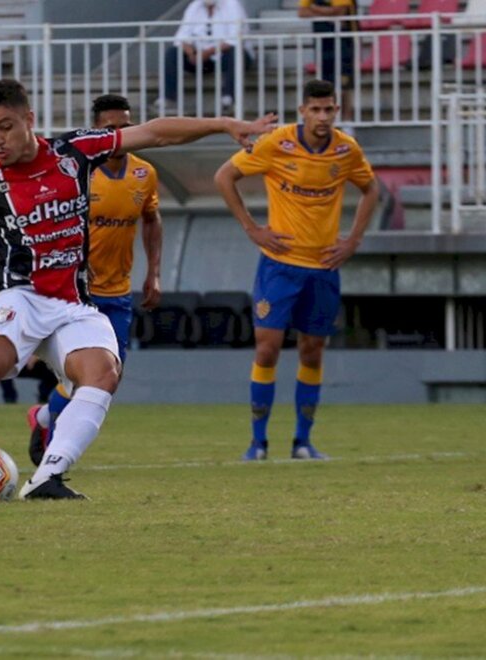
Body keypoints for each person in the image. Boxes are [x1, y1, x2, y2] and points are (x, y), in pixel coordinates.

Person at [0, 79, 275, 500]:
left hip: (75, 304)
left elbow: (154, 133)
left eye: (5, 127)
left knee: (102, 374)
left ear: (29, 120)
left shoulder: (73, 151)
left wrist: (225, 124)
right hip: (18, 295)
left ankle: (47, 477)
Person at [214, 79, 377, 461]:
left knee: (312, 350)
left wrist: (353, 240)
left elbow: (371, 189)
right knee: (267, 349)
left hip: (323, 267)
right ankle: (258, 443)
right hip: (279, 266)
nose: (323, 116)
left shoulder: (346, 149)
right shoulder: (276, 143)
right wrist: (253, 228)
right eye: (316, 109)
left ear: (336, 111)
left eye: (329, 109)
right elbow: (224, 177)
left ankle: (303, 442)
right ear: (302, 111)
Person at [26, 93, 163, 466]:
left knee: (108, 378)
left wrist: (153, 273)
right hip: (76, 292)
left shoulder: (144, 173)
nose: (119, 133)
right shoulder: (76, 171)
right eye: (110, 127)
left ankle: (41, 418)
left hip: (118, 291)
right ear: (95, 130)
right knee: (86, 376)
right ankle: (53, 456)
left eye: (125, 126)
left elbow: (151, 219)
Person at [158, 0, 252, 116]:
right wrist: (193, 53)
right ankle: (168, 99)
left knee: (236, 53)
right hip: (202, 59)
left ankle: (229, 99)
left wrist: (207, 53)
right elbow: (181, 38)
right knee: (173, 53)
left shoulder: (232, 5)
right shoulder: (194, 6)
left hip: (225, 56)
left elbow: (234, 38)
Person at [298, 0, 356, 122]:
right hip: (323, 44)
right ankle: (329, 121)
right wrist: (327, 14)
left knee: (344, 85)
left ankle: (347, 123)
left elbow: (340, 12)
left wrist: (314, 8)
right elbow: (302, 12)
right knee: (325, 84)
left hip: (342, 42)